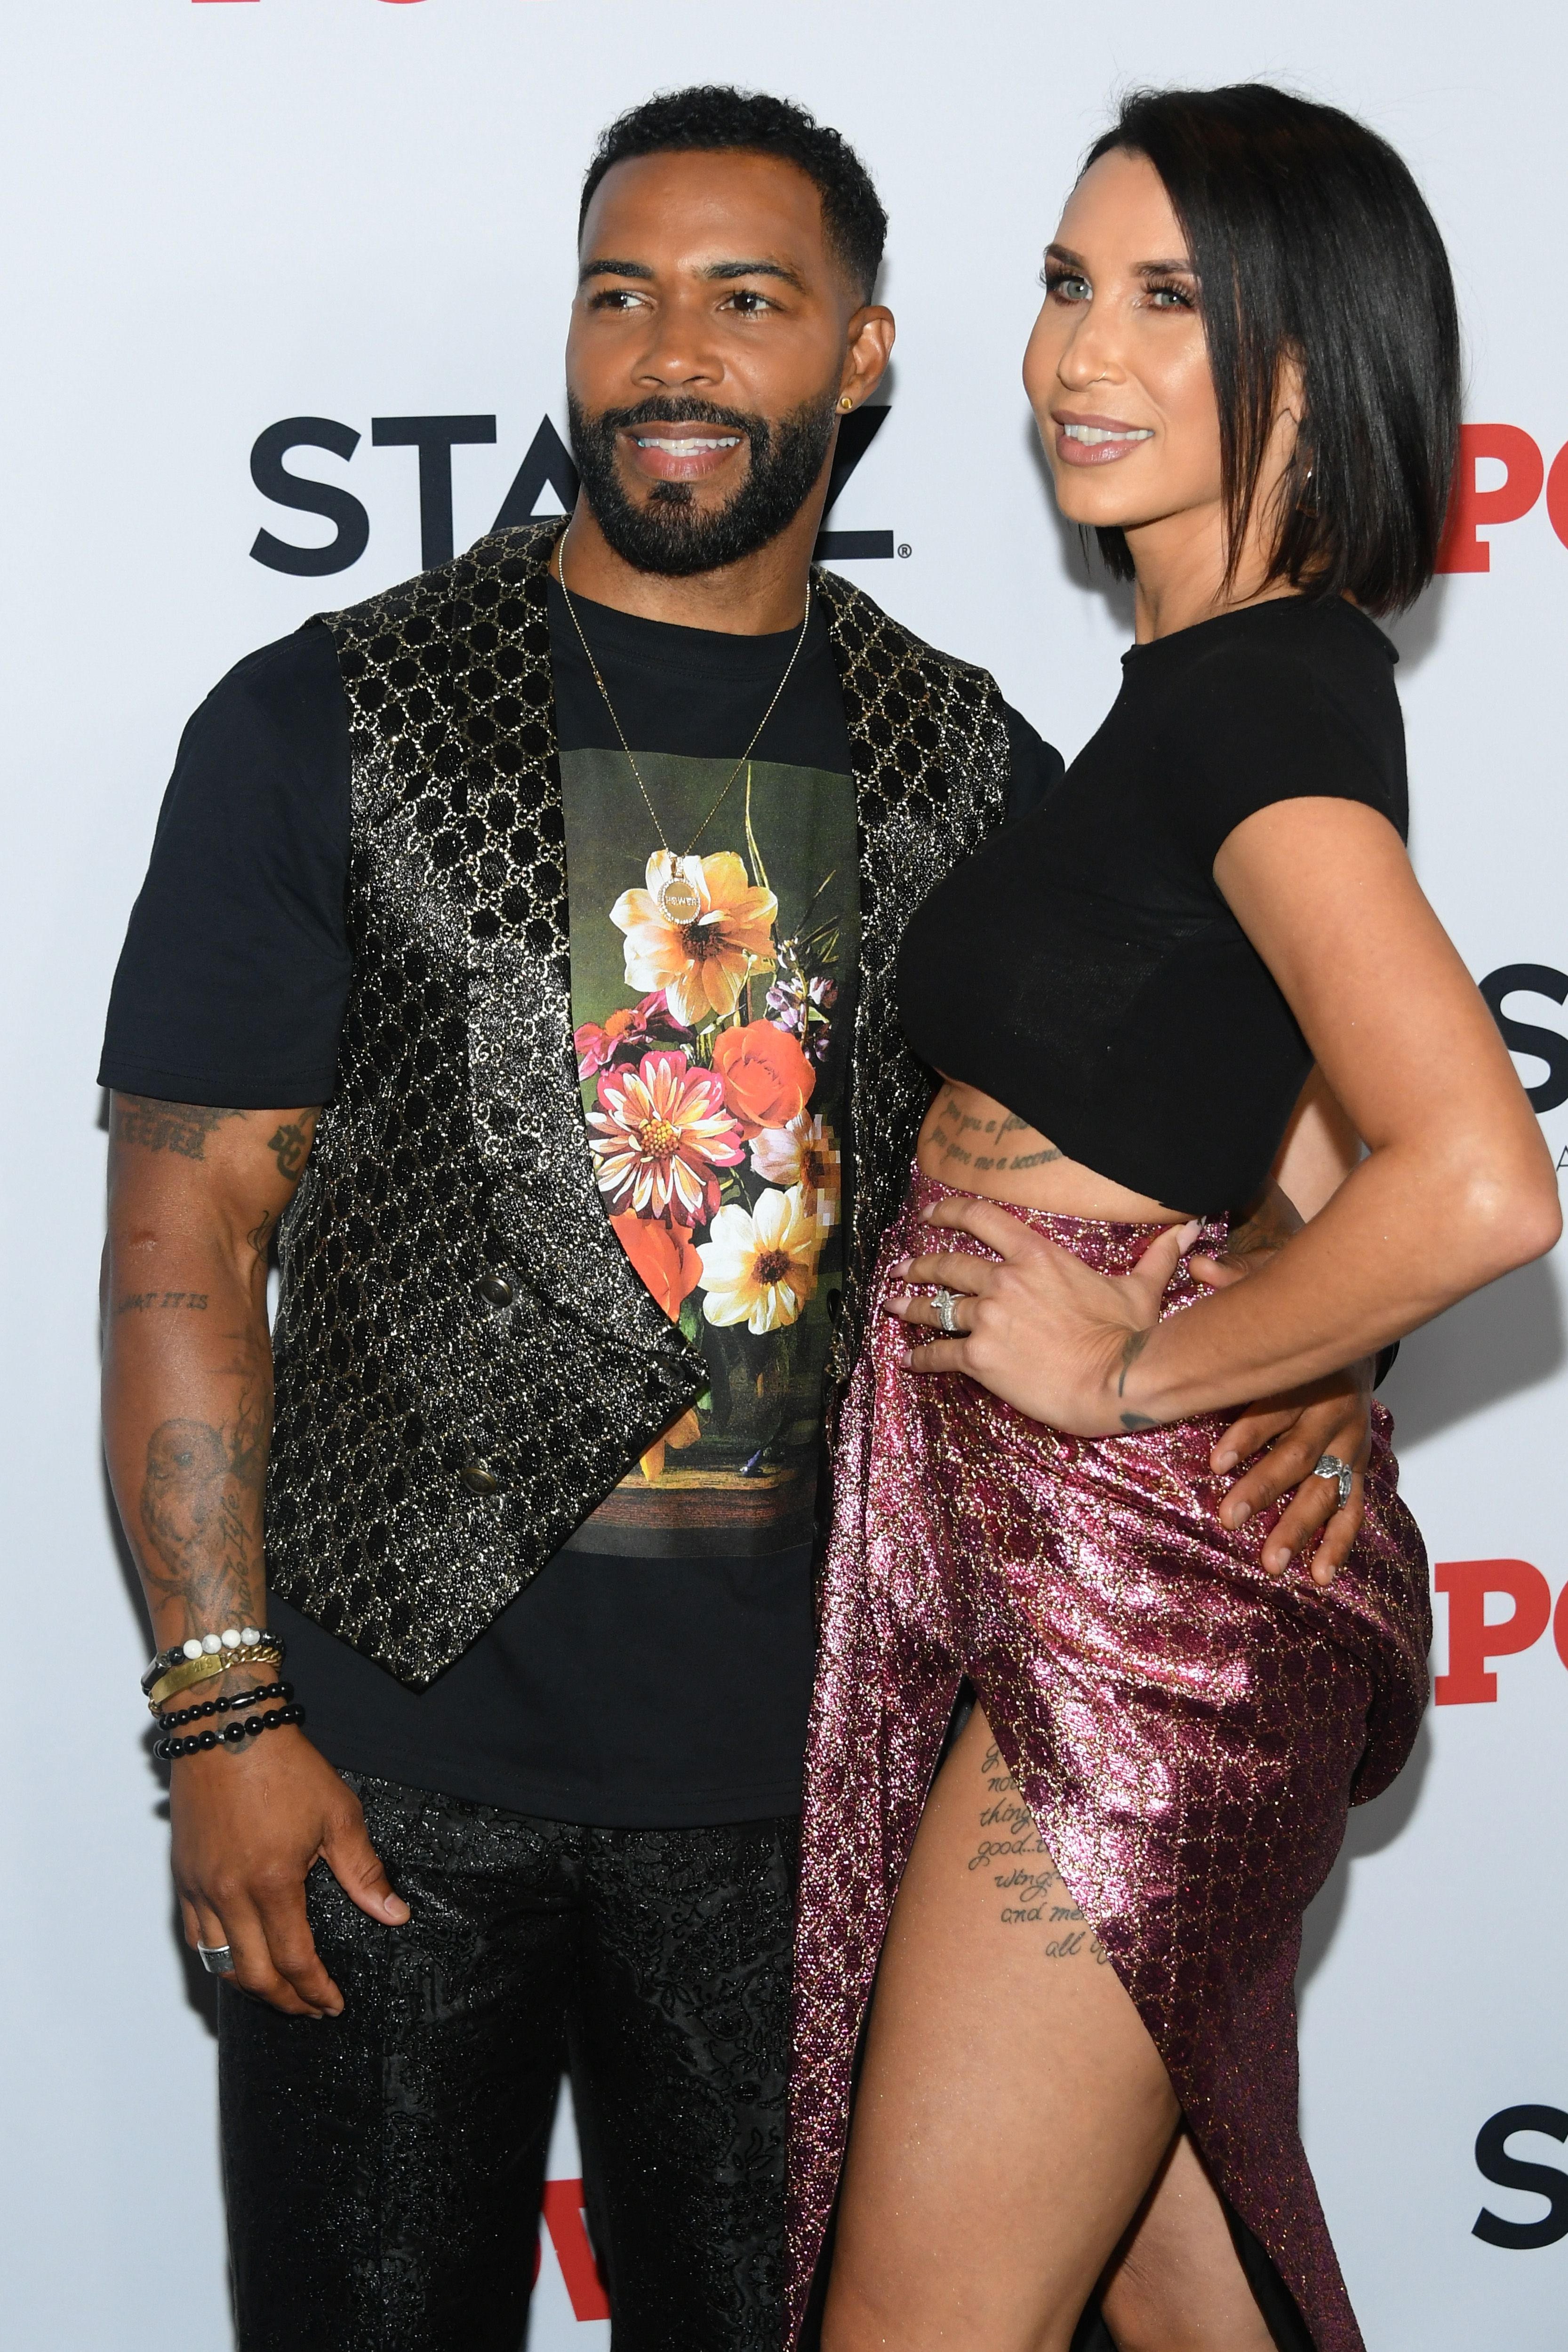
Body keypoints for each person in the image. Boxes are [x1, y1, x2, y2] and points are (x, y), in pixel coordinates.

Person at [100, 83, 1375, 2352]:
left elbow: (1262, 1143)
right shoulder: (320, 722)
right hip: (384, 1771)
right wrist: (220, 1714)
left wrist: (1299, 1377)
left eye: (744, 298)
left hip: (817, 1796)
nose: (669, 350)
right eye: (621, 294)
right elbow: (185, 1231)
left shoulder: (977, 764)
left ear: (863, 355)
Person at [786, 83, 1562, 2352]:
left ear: (1309, 371)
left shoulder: (1257, 710)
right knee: (1174, 2278)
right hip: (1047, 1537)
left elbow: (1477, 1173)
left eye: (1162, 304)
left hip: (1127, 1592)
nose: (1074, 359)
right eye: (1058, 288)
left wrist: (1134, 1360)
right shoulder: (1204, 703)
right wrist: (1318, 1343)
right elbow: (1308, 1149)